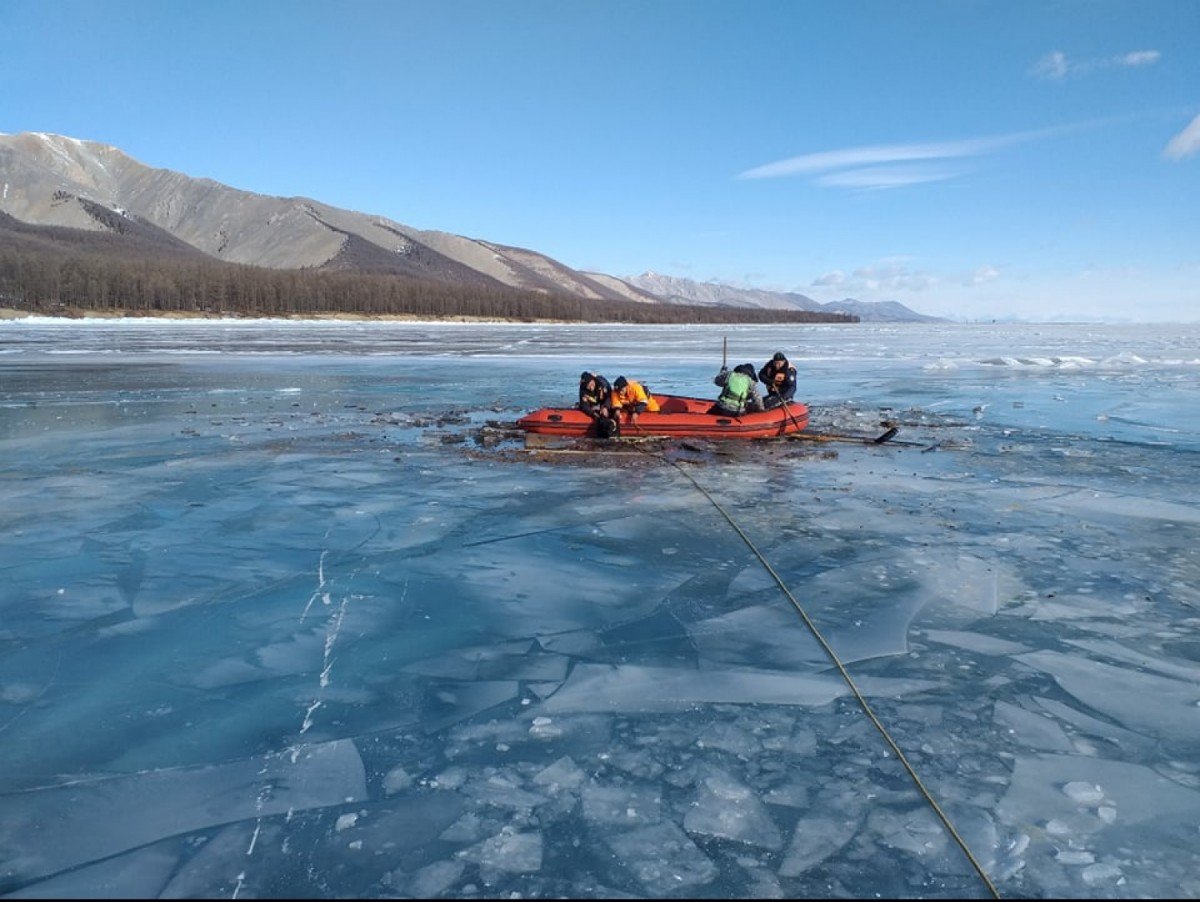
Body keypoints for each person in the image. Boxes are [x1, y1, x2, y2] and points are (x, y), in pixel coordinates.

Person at [577, 371, 618, 437]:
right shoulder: (583, 390)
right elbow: (584, 405)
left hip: (604, 398)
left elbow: (609, 396)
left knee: (608, 410)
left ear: (593, 380)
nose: (590, 388)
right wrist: (593, 413)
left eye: (591, 384)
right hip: (593, 401)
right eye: (587, 386)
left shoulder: (602, 384)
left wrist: (605, 407)